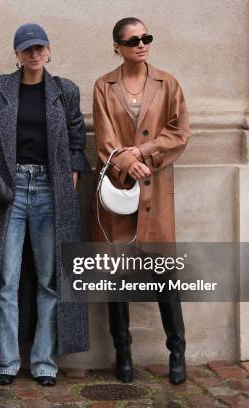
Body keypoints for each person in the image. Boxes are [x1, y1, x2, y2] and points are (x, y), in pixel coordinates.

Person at [0, 23, 91, 387]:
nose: (34, 54)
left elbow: (77, 137)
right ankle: (5, 360)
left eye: (39, 48)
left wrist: (74, 172)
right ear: (17, 54)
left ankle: (44, 362)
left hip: (51, 190)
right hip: (10, 189)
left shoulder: (65, 91)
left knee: (51, 280)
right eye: (27, 49)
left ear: (48, 51)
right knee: (5, 278)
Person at [91, 17, 191, 384]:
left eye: (146, 37)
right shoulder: (104, 86)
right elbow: (104, 138)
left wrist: (145, 153)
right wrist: (126, 162)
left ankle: (177, 351)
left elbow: (179, 131)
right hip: (119, 192)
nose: (141, 44)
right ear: (117, 45)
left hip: (155, 191)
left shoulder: (168, 83)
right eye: (133, 40)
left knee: (165, 273)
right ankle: (123, 354)